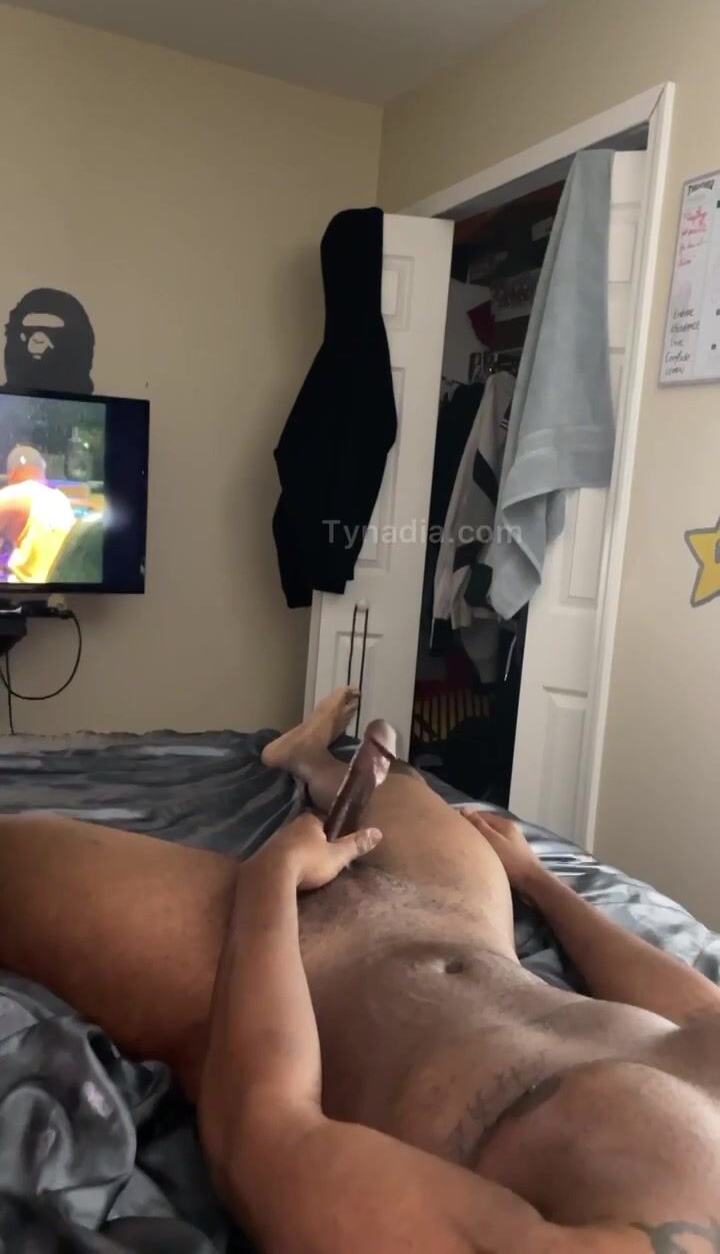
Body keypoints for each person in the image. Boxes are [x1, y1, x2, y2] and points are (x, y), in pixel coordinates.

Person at [1, 690, 719, 1253]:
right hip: (461, 916)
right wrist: (537, 879)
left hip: (268, 968)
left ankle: (314, 782)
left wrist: (272, 882)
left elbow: (266, 1144)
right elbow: (697, 1015)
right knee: (397, 784)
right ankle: (307, 759)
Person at [0, 444, 75, 582]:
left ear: (12, 473)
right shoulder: (62, 499)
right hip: (63, 584)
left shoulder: (11, 496)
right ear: (42, 470)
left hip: (27, 587)